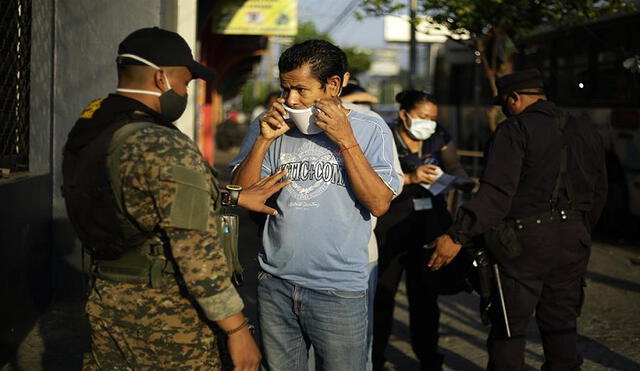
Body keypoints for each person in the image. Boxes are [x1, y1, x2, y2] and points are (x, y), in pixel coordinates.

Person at [62, 27, 291, 370]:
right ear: (160, 78)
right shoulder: (162, 143)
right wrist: (237, 328)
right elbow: (196, 252)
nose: (185, 93)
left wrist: (232, 197)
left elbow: (139, 197)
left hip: (107, 297)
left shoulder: (94, 123)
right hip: (166, 315)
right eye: (185, 83)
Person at [231, 39, 402, 371]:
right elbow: (244, 193)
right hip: (275, 282)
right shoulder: (270, 125)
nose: (290, 100)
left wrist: (345, 139)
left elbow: (380, 203)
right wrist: (265, 140)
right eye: (285, 89)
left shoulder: (370, 130)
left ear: (334, 84)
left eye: (301, 90)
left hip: (339, 289)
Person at [429, 69, 608, 370]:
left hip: (522, 245)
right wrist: (579, 229)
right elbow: (600, 190)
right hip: (574, 239)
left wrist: (457, 235)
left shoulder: (514, 130)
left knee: (509, 331)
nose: (503, 110)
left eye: (503, 104)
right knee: (562, 326)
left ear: (514, 98)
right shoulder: (585, 128)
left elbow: (496, 195)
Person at [371, 90, 475, 371]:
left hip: (429, 228)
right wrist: (410, 177)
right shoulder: (384, 136)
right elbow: (371, 182)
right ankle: (375, 358)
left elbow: (456, 168)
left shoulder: (438, 135)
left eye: (433, 118)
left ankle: (429, 359)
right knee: (381, 297)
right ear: (404, 114)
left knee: (426, 299)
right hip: (389, 229)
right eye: (422, 117)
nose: (428, 123)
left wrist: (459, 182)